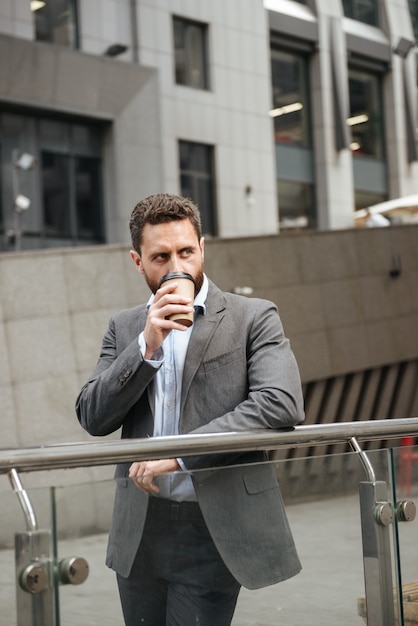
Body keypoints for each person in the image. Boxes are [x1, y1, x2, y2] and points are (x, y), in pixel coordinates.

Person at [76, 193, 305, 626]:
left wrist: (177, 456)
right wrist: (145, 347)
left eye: (186, 251)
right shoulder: (124, 327)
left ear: (203, 247)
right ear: (137, 262)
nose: (176, 266)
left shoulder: (252, 317)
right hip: (139, 530)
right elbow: (92, 416)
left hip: (213, 526)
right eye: (160, 256)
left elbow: (281, 402)